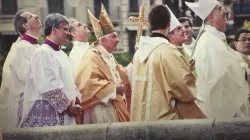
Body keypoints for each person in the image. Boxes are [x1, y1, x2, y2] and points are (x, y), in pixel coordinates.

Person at [130, 5, 206, 121]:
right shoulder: (169, 51)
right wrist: (187, 72)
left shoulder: (138, 53)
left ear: (150, 24)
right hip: (163, 119)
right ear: (169, 23)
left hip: (140, 118)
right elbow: (183, 89)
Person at [186, 0, 250, 118]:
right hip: (218, 107)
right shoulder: (209, 41)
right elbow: (220, 76)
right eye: (220, 9)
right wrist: (243, 70)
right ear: (211, 17)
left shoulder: (213, 38)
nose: (225, 10)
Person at [18, 13, 82, 127]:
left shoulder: (62, 54)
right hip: (48, 111)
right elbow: (49, 85)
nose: (68, 33)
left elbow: (70, 82)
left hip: (66, 111)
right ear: (54, 29)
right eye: (65, 29)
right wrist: (67, 107)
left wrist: (76, 99)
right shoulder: (43, 52)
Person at [75, 4, 131, 124]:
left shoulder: (109, 56)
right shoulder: (92, 56)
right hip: (100, 109)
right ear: (103, 41)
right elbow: (87, 84)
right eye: (114, 37)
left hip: (114, 106)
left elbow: (122, 74)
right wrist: (114, 89)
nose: (118, 40)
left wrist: (136, 61)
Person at [0, 11, 41, 129]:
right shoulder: (20, 48)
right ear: (26, 26)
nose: (36, 16)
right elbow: (28, 78)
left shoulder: (36, 46)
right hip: (25, 107)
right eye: (31, 16)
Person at [233, 29, 250, 94]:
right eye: (243, 39)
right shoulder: (232, 61)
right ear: (235, 44)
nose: (247, 42)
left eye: (249, 39)